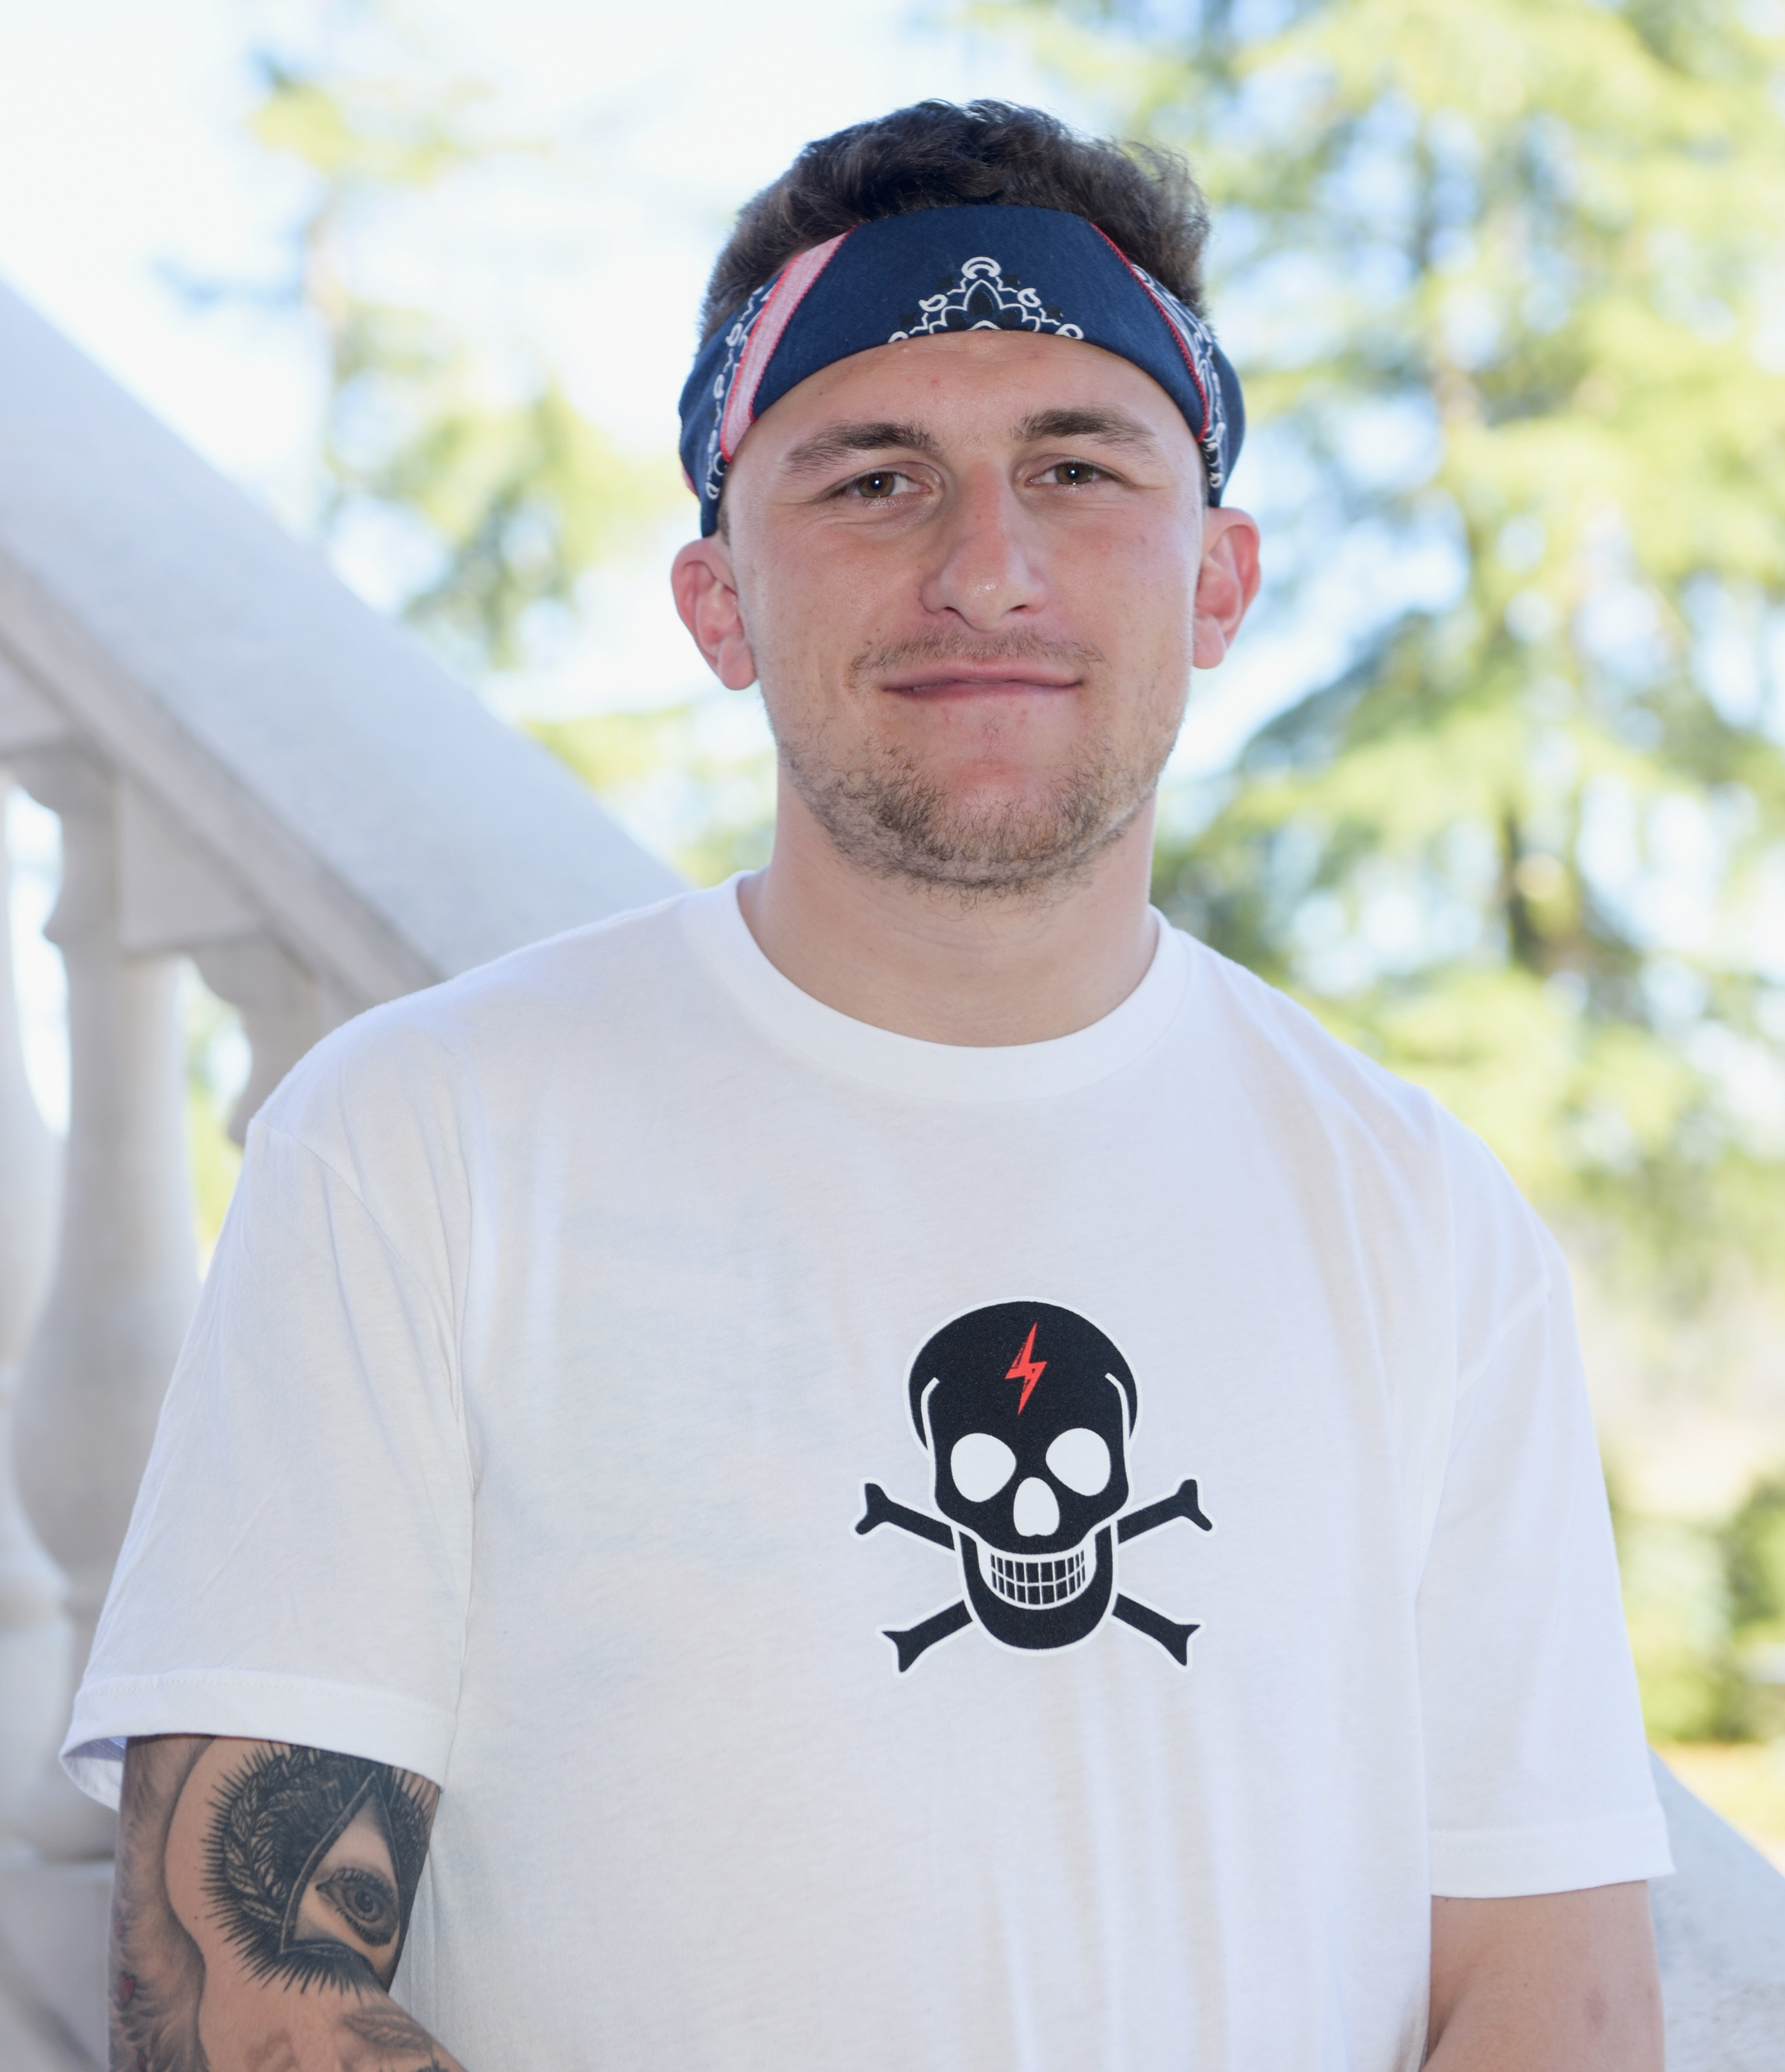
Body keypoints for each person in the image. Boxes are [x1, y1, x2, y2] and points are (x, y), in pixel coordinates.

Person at [67, 99, 1670, 2072]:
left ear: (1218, 581)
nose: (987, 568)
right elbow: (233, 1987)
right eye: (875, 479)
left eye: (1076, 468)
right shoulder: (420, 1145)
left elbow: (1551, 1985)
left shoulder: (1423, 1215)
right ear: (719, 602)